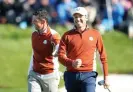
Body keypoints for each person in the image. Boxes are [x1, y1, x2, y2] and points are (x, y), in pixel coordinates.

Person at [58, 7, 109, 92]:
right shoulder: (67, 35)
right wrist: (72, 63)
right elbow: (60, 56)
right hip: (71, 75)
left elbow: (103, 57)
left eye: (80, 16)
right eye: (75, 17)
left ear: (86, 17)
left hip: (89, 75)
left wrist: (106, 77)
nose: (78, 19)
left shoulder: (95, 34)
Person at [28, 8, 61, 92]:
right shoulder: (34, 34)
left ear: (43, 22)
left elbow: (60, 48)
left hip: (50, 75)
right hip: (34, 75)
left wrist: (59, 51)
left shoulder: (54, 35)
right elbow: (34, 54)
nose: (32, 22)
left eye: (35, 21)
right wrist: (30, 71)